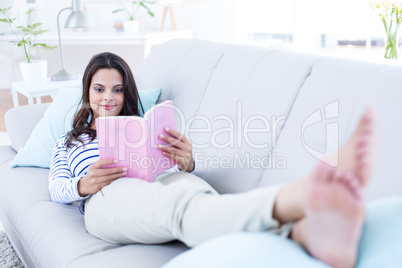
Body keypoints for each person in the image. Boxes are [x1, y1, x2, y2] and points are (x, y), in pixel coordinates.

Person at [49, 52, 375, 268]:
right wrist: (82, 184)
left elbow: (175, 167)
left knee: (197, 194)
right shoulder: (70, 141)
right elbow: (56, 188)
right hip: (108, 196)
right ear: (87, 92)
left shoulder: (143, 125)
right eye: (99, 89)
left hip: (161, 181)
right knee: (178, 208)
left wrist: (187, 162)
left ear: (126, 93)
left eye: (117, 90)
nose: (108, 98)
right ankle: (296, 198)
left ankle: (301, 234)